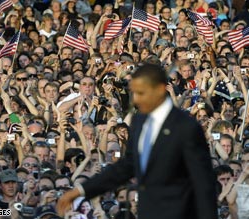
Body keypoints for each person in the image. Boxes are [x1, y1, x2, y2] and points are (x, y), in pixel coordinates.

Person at [57, 63, 218, 219]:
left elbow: (203, 184)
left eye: (141, 93)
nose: (136, 99)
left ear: (160, 90)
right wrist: (81, 190)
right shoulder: (140, 120)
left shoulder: (186, 127)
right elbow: (127, 166)